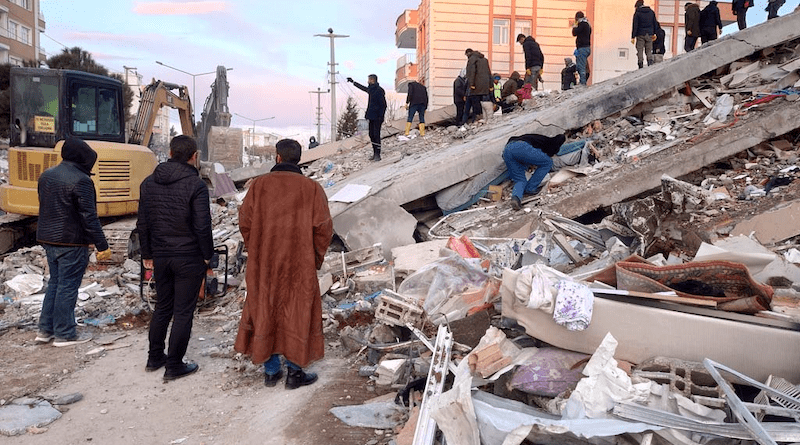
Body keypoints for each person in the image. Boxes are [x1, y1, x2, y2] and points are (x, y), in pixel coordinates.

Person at [235, 138, 333, 390]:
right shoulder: (311, 188)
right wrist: (315, 258)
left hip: (264, 263)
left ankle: (270, 371)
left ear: (277, 157)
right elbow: (323, 229)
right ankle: (295, 372)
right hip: (299, 263)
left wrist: (256, 249)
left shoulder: (259, 186)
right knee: (297, 311)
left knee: (265, 307)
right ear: (297, 159)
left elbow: (245, 222)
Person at [137, 135, 213, 381]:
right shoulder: (196, 185)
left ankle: (154, 357)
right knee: (183, 312)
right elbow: (203, 226)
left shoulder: (149, 183)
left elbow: (143, 222)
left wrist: (147, 253)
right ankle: (174, 365)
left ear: (169, 153)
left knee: (162, 307)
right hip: (188, 256)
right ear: (194, 156)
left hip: (161, 256)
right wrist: (207, 256)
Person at [36, 137, 111, 347]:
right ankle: (64, 333)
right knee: (67, 287)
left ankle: (45, 330)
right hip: (71, 242)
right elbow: (89, 217)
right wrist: (102, 245)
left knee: (55, 284)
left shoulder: (46, 175)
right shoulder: (82, 181)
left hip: (48, 238)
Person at [502, 133, 566, 211]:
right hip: (520, 147)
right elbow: (548, 154)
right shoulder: (550, 143)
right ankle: (531, 188)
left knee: (519, 180)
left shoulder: (539, 138)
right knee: (547, 162)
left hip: (507, 150)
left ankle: (516, 198)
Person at [346, 74, 387, 161]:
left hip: (378, 117)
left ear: (373, 80)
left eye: (369, 79)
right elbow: (363, 88)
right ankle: (374, 152)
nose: (367, 81)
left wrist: (381, 116)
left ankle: (377, 154)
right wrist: (353, 82)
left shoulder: (379, 90)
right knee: (371, 134)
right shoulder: (371, 90)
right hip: (371, 116)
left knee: (376, 135)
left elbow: (384, 105)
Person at [462, 48, 493, 125]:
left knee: (476, 103)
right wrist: (490, 85)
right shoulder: (485, 60)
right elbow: (489, 73)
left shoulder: (472, 59)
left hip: (476, 85)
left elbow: (471, 73)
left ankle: (477, 119)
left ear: (468, 54)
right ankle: (487, 118)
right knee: (485, 102)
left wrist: (471, 84)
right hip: (485, 85)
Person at [631, 0, 658, 69]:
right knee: (649, 50)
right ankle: (650, 62)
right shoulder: (651, 12)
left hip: (640, 34)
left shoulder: (637, 13)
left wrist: (633, 36)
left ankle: (640, 64)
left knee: (640, 50)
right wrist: (654, 33)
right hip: (649, 34)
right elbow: (655, 23)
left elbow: (635, 25)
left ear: (637, 6)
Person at [572, 11, 591, 86]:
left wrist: (575, 25)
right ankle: (584, 80)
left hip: (582, 48)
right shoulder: (587, 24)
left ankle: (582, 83)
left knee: (581, 66)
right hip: (587, 48)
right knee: (584, 66)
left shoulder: (582, 24)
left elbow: (574, 33)